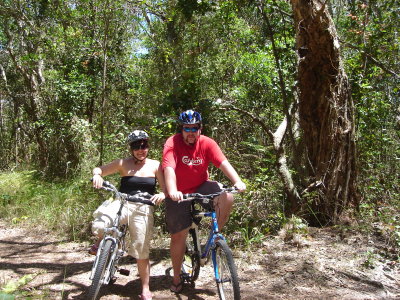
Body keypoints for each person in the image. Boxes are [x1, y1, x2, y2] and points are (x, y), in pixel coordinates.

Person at [162, 109, 246, 293]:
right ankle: (176, 277)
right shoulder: (172, 143)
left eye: (194, 128)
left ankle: (213, 238)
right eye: (187, 128)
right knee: (179, 236)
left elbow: (223, 162)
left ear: (200, 128)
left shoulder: (207, 143)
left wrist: (237, 181)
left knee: (227, 196)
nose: (191, 132)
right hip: (179, 191)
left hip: (201, 186)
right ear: (181, 129)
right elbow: (168, 168)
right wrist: (173, 190)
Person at [90, 130, 165, 300]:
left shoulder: (155, 165)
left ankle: (145, 289)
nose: (141, 149)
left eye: (144, 146)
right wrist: (97, 175)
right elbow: (99, 169)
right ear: (131, 148)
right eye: (136, 146)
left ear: (148, 146)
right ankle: (101, 241)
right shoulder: (122, 163)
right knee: (101, 224)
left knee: (141, 249)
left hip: (143, 208)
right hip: (122, 203)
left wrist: (163, 194)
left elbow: (166, 188)